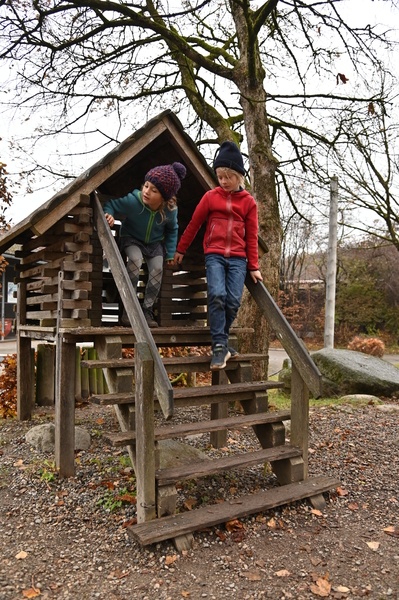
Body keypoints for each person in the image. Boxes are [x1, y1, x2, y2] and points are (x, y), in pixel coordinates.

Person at [174, 141, 262, 369]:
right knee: (216, 295)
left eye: (227, 177)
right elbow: (194, 224)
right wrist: (181, 249)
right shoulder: (210, 197)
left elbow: (252, 236)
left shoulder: (249, 203)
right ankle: (220, 347)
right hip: (213, 254)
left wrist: (254, 265)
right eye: (220, 176)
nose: (223, 181)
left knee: (232, 300)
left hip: (238, 258)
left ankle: (221, 342)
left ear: (239, 176)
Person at [103, 162, 186, 327]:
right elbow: (111, 205)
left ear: (165, 197)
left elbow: (172, 230)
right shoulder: (134, 201)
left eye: (154, 190)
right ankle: (129, 309)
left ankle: (147, 310)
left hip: (154, 243)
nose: (147, 191)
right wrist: (109, 215)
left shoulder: (170, 210)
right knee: (134, 260)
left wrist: (170, 253)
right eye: (146, 186)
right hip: (131, 238)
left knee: (157, 268)